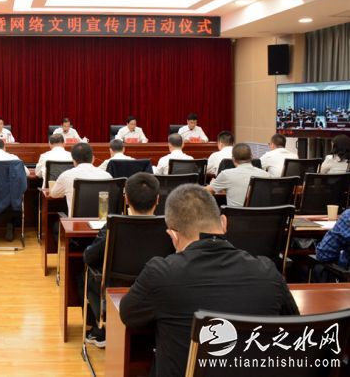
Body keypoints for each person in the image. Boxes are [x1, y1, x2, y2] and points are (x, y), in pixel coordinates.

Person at [120, 184, 299, 377]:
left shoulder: (161, 273)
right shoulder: (267, 272)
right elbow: (294, 327)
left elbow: (130, 316)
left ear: (173, 235)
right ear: (224, 222)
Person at [82, 172, 159, 347]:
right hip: (155, 292)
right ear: (158, 200)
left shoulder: (113, 225)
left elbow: (89, 257)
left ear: (126, 199)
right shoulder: (170, 227)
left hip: (116, 289)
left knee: (84, 276)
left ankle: (101, 330)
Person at [50, 143, 112, 216]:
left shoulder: (66, 175)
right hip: (102, 221)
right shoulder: (107, 176)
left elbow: (54, 194)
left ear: (73, 160)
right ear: (93, 158)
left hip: (76, 222)